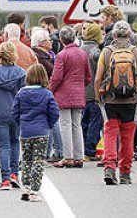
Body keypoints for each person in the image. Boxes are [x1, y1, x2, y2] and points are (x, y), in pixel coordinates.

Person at [95, 20, 137, 185]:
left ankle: (109, 168)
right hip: (131, 101)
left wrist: (99, 97)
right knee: (127, 135)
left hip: (111, 100)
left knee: (110, 133)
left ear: (114, 34)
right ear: (129, 35)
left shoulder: (107, 52)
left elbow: (98, 79)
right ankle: (125, 172)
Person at [13, 63, 59, 202]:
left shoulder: (21, 93)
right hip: (42, 131)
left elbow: (15, 112)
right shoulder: (47, 93)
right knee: (38, 161)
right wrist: (48, 125)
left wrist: (22, 123)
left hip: (25, 131)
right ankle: (34, 190)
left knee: (26, 159)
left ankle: (25, 186)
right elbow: (54, 113)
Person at [0, 42, 25, 191]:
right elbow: (24, 95)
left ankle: (5, 179)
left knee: (3, 146)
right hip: (17, 113)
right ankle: (15, 174)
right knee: (15, 143)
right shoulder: (21, 73)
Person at [49, 26, 89, 168]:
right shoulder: (83, 54)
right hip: (78, 92)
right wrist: (79, 86)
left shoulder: (61, 55)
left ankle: (68, 157)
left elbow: (57, 77)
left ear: (61, 39)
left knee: (65, 124)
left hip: (63, 94)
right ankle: (79, 157)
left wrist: (50, 89)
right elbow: (88, 76)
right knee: (76, 124)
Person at [30, 27, 60, 162]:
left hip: (45, 90)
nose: (51, 42)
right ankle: (58, 151)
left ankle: (49, 152)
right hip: (44, 90)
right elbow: (50, 72)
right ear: (41, 42)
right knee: (53, 121)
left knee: (51, 121)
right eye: (49, 40)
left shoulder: (46, 55)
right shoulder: (39, 56)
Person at [79, 22, 105, 160]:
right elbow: (100, 75)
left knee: (83, 122)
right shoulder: (97, 53)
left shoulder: (79, 50)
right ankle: (90, 150)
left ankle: (82, 148)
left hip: (81, 93)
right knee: (95, 122)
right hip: (94, 94)